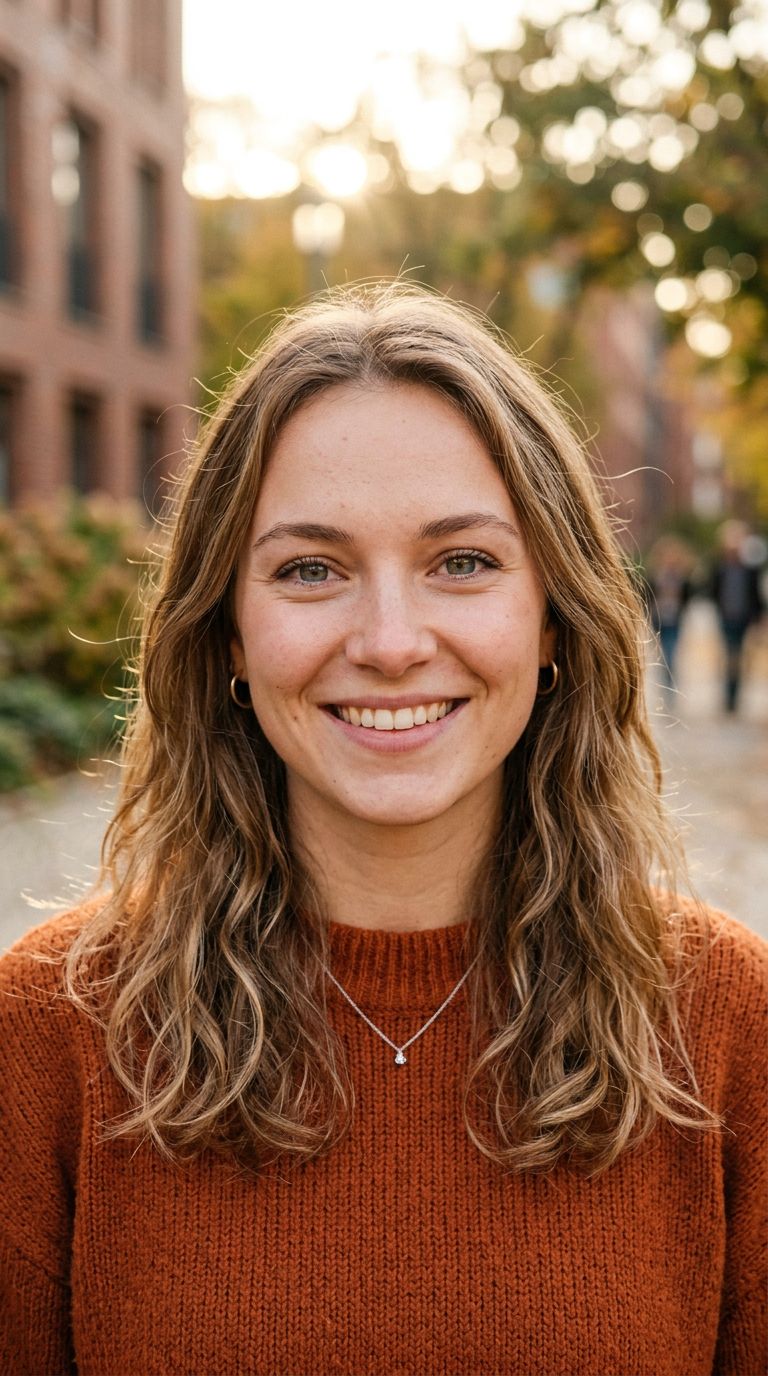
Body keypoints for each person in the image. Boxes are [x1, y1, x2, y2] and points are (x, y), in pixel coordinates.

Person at [1, 285, 765, 1376]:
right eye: (311, 568)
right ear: (226, 628)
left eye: (463, 561)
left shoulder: (734, 1029)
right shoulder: (45, 1036)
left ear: (552, 614)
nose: (393, 641)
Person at [708, 519, 765, 713]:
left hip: (743, 618)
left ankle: (735, 696)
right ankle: (728, 695)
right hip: (726, 617)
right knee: (728, 655)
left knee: (739, 656)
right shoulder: (720, 567)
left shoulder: (750, 569)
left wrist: (759, 619)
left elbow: (756, 595)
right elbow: (713, 591)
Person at [643, 533, 695, 696]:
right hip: (659, 619)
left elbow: (688, 595)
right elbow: (647, 596)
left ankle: (669, 687)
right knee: (663, 653)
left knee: (671, 652)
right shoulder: (656, 575)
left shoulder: (681, 577)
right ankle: (666, 683)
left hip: (675, 619)